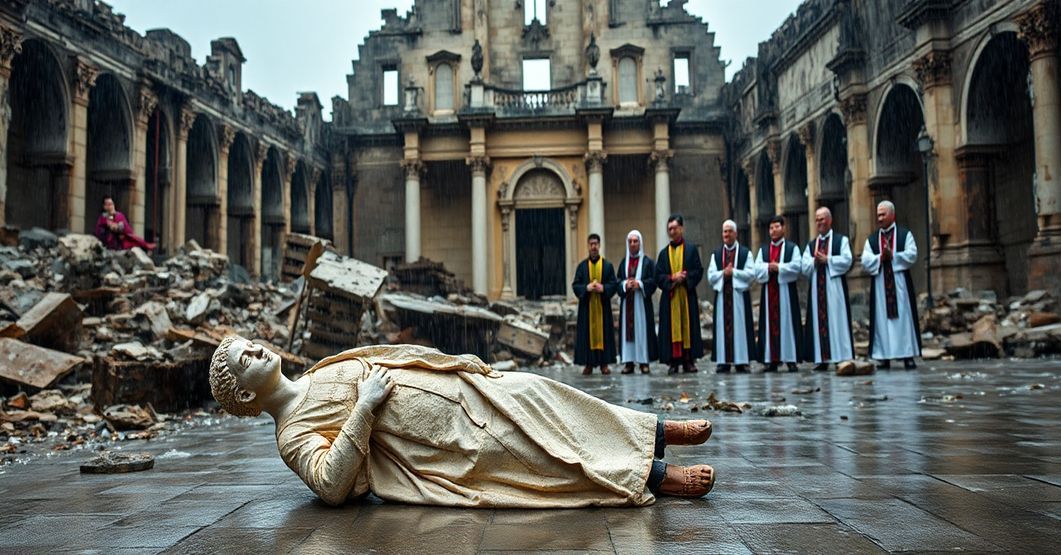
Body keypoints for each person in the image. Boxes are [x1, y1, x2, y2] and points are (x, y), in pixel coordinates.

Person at [209, 337, 717, 507]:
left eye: (249, 342)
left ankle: (652, 430)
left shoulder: (318, 369)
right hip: (435, 442)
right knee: (537, 452)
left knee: (543, 392)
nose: (256, 347)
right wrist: (364, 407)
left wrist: (453, 361)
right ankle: (650, 476)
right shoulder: (291, 433)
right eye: (243, 358)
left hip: (458, 389)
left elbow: (397, 354)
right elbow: (330, 485)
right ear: (246, 393)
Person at [860, 200, 921, 369]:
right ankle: (884, 355)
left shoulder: (904, 235)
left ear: (892, 215)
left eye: (883, 214)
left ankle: (907, 355)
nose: (879, 218)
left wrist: (892, 255)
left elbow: (912, 254)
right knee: (881, 320)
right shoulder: (872, 240)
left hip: (900, 283)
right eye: (878, 215)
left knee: (904, 318)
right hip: (880, 285)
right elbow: (865, 260)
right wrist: (879, 258)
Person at [801, 207, 854, 371]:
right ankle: (821, 359)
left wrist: (828, 259)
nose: (819, 223)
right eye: (817, 220)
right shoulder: (811, 245)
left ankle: (840, 357)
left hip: (834, 289)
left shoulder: (841, 240)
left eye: (822, 219)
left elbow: (847, 260)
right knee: (819, 322)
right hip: (818, 291)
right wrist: (814, 262)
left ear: (830, 220)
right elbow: (803, 266)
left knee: (837, 320)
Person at [655, 215, 705, 374]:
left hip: (686, 296)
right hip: (670, 298)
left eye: (675, 228)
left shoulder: (691, 250)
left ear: (681, 229)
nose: (672, 231)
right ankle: (673, 361)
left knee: (688, 327)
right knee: (670, 329)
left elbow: (698, 270)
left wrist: (685, 278)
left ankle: (688, 360)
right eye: (669, 229)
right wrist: (672, 278)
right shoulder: (663, 254)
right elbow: (658, 276)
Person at [753, 215, 803, 372]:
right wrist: (769, 267)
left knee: (788, 323)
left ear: (784, 228)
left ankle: (791, 359)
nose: (774, 230)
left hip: (786, 293)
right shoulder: (764, 250)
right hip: (769, 292)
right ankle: (771, 359)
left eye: (777, 227)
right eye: (771, 228)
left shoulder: (791, 248)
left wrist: (779, 267)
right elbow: (757, 268)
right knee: (769, 324)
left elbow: (796, 266)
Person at [707, 220, 756, 373]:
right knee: (722, 328)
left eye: (729, 231)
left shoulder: (745, 253)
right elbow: (711, 275)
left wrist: (733, 272)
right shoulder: (716, 254)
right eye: (724, 231)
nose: (726, 234)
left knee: (740, 327)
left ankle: (741, 361)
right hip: (722, 297)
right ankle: (723, 361)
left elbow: (751, 274)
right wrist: (723, 273)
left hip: (738, 298)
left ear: (736, 233)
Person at [572, 234, 618, 375]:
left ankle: (604, 364)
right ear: (588, 245)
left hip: (602, 307)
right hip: (587, 307)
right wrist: (586, 288)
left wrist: (603, 288)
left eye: (596, 244)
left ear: (599, 245)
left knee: (604, 334)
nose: (593, 247)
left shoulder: (607, 266)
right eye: (591, 244)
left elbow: (613, 284)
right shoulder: (582, 267)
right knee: (587, 334)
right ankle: (589, 364)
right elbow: (576, 285)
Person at [616, 230, 658, 374]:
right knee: (627, 332)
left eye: (635, 241)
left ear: (640, 243)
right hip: (627, 305)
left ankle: (643, 361)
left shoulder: (647, 262)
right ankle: (628, 362)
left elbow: (653, 281)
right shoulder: (623, 263)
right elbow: (617, 282)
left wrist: (640, 284)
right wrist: (624, 285)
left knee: (642, 332)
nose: (633, 244)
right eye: (630, 241)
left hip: (641, 305)